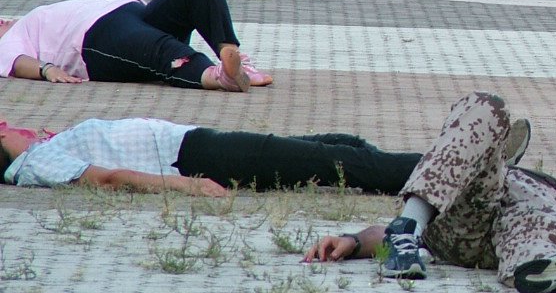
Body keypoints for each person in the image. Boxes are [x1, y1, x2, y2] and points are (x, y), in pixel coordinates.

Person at [304, 92, 556, 293]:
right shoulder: (484, 180)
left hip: (521, 236)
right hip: (464, 219)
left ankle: (539, 269)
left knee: (544, 218)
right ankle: (408, 225)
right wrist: (354, 241)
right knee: (488, 105)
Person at [0, 0, 271, 92]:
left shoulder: (24, 20)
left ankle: (230, 52)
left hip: (133, 13)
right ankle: (218, 77)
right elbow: (16, 63)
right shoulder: (10, 39)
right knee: (160, 50)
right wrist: (46, 70)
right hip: (95, 40)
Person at [0, 117, 421, 195]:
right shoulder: (33, 165)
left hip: (193, 141)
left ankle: (404, 174)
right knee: (336, 163)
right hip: (194, 158)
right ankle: (448, 173)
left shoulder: (40, 148)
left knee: (339, 144)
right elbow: (108, 178)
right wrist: (188, 185)